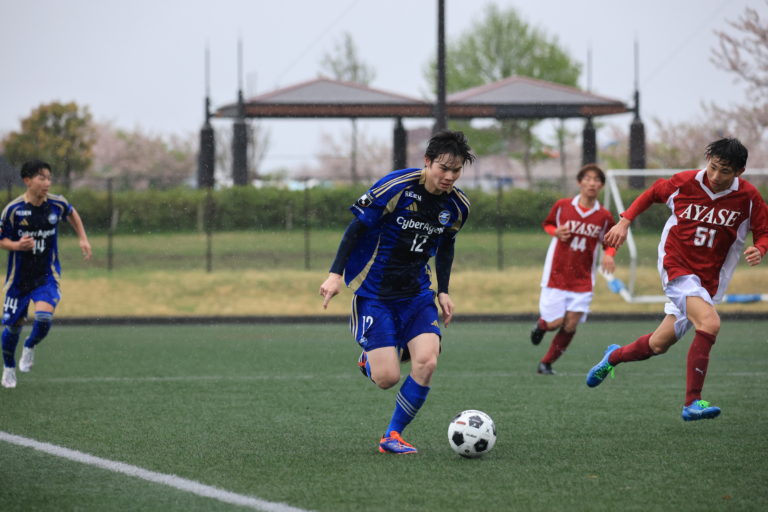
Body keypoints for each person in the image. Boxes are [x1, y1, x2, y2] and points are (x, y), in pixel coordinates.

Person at [586, 138, 768, 421]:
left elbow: (763, 231)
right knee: (709, 323)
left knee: (658, 345)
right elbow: (652, 193)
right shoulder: (685, 182)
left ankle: (613, 357)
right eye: (713, 167)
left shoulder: (748, 198)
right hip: (676, 265)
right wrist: (624, 221)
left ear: (739, 172)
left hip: (709, 280)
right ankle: (692, 403)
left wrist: (760, 248)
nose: (716, 176)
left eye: (725, 171)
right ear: (707, 159)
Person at [319, 130, 475, 454]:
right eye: (443, 168)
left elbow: (446, 245)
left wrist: (443, 291)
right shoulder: (397, 186)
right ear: (427, 162)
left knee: (427, 362)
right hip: (375, 293)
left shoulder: (458, 206)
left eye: (456, 170)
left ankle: (392, 435)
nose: (449, 176)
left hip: (417, 293)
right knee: (387, 378)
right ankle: (370, 360)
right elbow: (356, 228)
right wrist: (335, 275)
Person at [0, 160, 92, 389]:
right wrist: (16, 245)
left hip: (46, 275)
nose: (47, 183)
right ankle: (9, 368)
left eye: (49, 178)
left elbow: (72, 213)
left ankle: (30, 345)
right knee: (13, 326)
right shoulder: (13, 210)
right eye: (41, 178)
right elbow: (2, 239)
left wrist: (83, 238)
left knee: (43, 318)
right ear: (27, 180)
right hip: (18, 280)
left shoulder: (56, 204)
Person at [530, 164, 616, 375]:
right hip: (557, 274)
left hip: (583, 278)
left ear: (601, 185)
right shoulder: (563, 206)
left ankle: (546, 363)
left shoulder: (604, 216)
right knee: (555, 323)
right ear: (579, 182)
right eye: (587, 178)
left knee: (570, 325)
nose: (592, 183)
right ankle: (542, 325)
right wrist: (555, 231)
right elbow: (548, 224)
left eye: (596, 180)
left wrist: (609, 255)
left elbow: (611, 241)